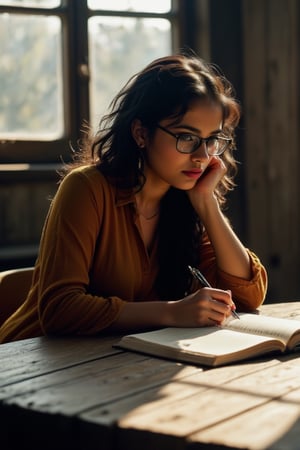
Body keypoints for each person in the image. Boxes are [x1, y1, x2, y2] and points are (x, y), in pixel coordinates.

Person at [0, 53, 268, 343]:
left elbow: (248, 296)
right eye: (187, 137)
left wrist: (207, 203)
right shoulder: (86, 189)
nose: (202, 156)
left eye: (212, 140)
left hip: (112, 367)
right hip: (29, 364)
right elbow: (60, 309)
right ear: (141, 133)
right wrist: (171, 312)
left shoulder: (184, 201)